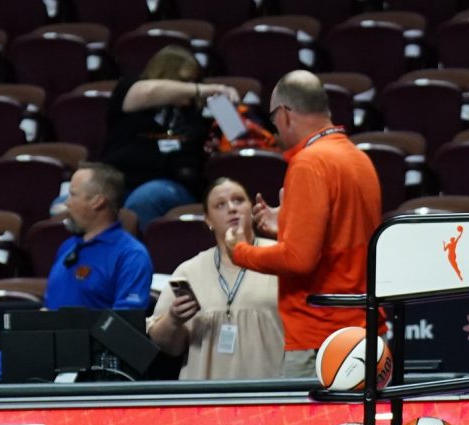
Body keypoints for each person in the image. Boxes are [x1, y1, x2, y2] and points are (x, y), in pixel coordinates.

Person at [226, 70, 380, 378]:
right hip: (361, 333)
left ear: (284, 114)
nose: (276, 132)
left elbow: (299, 260)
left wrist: (239, 251)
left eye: (273, 121)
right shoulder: (357, 158)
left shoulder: (309, 164)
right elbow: (336, 241)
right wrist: (287, 227)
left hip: (320, 342)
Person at [147, 178, 287, 379]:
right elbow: (169, 346)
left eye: (238, 200)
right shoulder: (189, 271)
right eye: (220, 205)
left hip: (270, 393)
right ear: (208, 220)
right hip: (205, 397)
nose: (231, 208)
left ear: (251, 209)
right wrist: (173, 319)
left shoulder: (280, 257)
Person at [103, 46, 242, 223]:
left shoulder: (196, 110)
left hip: (172, 184)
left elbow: (236, 133)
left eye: (195, 80)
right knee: (67, 203)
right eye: (185, 81)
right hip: (118, 180)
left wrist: (224, 105)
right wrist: (200, 89)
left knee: (144, 199)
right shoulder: (129, 89)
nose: (191, 87)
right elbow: (148, 92)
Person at [44, 162, 154, 310]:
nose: (67, 203)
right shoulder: (67, 247)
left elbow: (126, 322)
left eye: (73, 194)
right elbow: (49, 307)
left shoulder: (131, 254)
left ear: (97, 201)